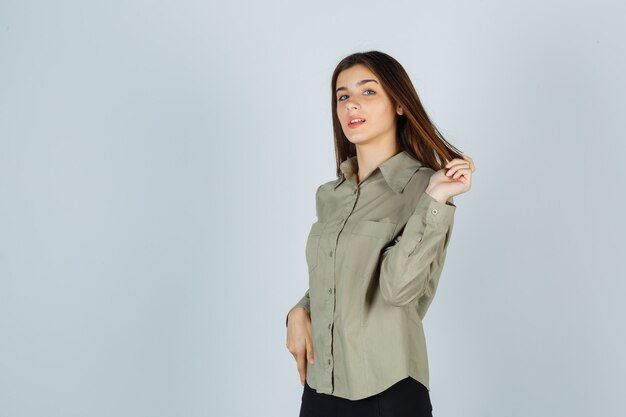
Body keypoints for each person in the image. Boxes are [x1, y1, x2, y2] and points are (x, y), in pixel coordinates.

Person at [285, 50, 475, 417]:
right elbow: (342, 275)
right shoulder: (331, 195)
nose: (351, 104)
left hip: (387, 390)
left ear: (399, 104)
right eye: (343, 96)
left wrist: (435, 198)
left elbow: (398, 289)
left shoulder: (426, 188)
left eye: (368, 92)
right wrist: (299, 310)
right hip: (321, 387)